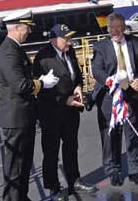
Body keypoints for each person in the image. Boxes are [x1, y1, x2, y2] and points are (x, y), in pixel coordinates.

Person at [0, 13, 59, 201]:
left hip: (24, 116)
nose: (29, 31)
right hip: (16, 118)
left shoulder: (16, 49)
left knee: (24, 164)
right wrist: (41, 83)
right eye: (27, 27)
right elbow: (19, 85)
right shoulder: (8, 52)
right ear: (16, 28)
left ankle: (21, 197)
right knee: (15, 167)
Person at [34, 24, 96, 199]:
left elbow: (77, 74)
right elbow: (41, 90)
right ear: (55, 39)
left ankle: (74, 180)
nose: (70, 41)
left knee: (71, 147)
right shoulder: (43, 57)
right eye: (66, 38)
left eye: (70, 38)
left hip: (70, 111)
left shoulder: (70, 52)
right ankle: (53, 187)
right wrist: (63, 100)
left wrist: (78, 87)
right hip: (51, 113)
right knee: (51, 151)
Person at [91, 12, 138, 186]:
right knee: (111, 135)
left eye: (118, 27)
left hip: (132, 91)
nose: (115, 31)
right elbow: (97, 71)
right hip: (110, 95)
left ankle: (136, 169)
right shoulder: (100, 47)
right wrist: (111, 82)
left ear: (124, 27)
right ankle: (113, 170)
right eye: (111, 27)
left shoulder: (135, 42)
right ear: (107, 29)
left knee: (134, 132)